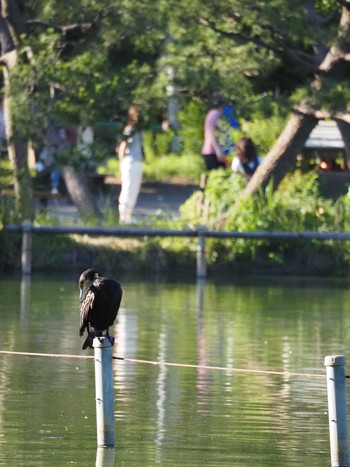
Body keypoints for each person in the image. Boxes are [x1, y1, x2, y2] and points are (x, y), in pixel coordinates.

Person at [117, 105, 144, 223]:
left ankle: (129, 215)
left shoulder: (137, 130)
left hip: (136, 161)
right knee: (128, 188)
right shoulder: (130, 130)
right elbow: (123, 147)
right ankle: (123, 216)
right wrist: (121, 164)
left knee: (134, 189)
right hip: (130, 161)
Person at [201, 100, 228, 170]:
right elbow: (211, 133)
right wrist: (218, 150)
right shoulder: (215, 114)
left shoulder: (211, 113)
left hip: (211, 151)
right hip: (212, 152)